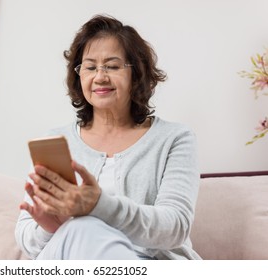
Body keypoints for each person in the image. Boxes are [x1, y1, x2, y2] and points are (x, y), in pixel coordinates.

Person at [15, 14, 201, 260]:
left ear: (137, 74)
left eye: (112, 66)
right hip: (70, 258)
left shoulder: (174, 138)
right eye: (90, 67)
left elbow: (175, 227)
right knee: (78, 229)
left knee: (83, 226)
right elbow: (27, 237)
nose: (100, 77)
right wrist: (52, 227)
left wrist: (98, 206)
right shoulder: (56, 141)